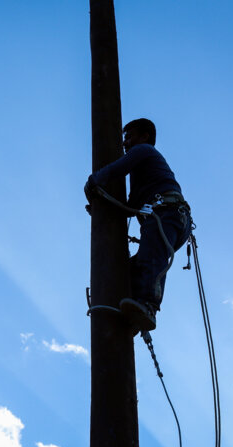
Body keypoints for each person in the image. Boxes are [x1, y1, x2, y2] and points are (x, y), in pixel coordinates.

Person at [84, 118, 192, 333]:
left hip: (166, 213)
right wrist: (103, 207)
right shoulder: (142, 172)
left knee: (152, 258)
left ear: (145, 137)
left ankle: (148, 306)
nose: (125, 143)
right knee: (134, 268)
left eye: (129, 136)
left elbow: (116, 169)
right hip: (169, 217)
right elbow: (132, 206)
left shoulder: (144, 150)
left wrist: (94, 180)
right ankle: (134, 315)